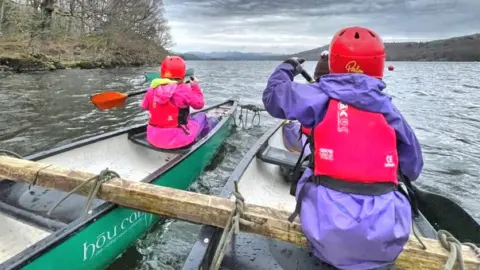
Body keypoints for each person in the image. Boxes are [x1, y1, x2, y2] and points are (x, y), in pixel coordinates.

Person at [262, 26, 424, 270]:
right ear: (379, 65)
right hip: (385, 239)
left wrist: (288, 66)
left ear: (334, 61)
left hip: (326, 233)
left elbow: (273, 97)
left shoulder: (317, 96)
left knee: (309, 169)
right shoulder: (392, 113)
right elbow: (413, 169)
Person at [141, 56, 218, 150]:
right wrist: (195, 87)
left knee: (189, 119)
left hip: (153, 137)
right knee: (202, 116)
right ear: (182, 73)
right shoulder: (184, 89)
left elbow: (146, 107)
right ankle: (202, 143)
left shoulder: (151, 89)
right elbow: (199, 104)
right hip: (177, 139)